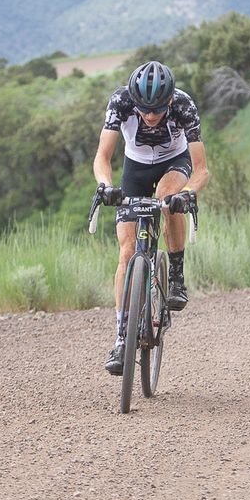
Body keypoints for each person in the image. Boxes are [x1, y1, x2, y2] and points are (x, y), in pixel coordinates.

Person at [93, 60, 210, 375]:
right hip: (136, 167)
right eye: (143, 109)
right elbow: (103, 157)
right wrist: (105, 186)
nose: (149, 115)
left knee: (166, 199)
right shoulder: (121, 101)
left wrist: (188, 193)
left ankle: (176, 276)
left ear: (170, 100)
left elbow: (202, 169)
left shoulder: (184, 105)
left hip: (175, 161)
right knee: (127, 250)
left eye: (157, 109)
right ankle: (122, 337)